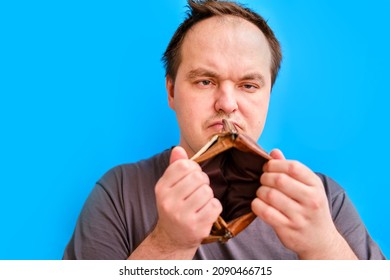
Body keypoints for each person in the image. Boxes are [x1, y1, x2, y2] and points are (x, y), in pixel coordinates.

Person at [63, 0, 385, 260]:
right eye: (205, 81)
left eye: (248, 85)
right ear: (172, 92)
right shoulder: (119, 193)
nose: (227, 104)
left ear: (268, 96)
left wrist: (323, 246)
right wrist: (169, 245)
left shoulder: (323, 200)